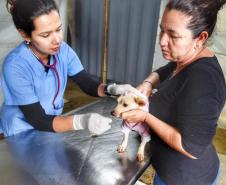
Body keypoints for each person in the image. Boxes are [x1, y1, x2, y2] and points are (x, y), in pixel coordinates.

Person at [121, 0, 226, 184]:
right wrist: (148, 81)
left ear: (200, 38)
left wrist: (145, 118)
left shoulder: (204, 82)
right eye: (162, 30)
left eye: (173, 35)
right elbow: (168, 69)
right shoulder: (187, 58)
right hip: (167, 170)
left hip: (186, 178)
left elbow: (191, 148)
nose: (162, 41)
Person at [0, 0, 138, 137]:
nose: (57, 40)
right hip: (22, 132)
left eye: (59, 29)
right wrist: (81, 121)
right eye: (45, 35)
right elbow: (39, 120)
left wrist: (111, 89)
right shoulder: (15, 66)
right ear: (24, 34)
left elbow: (87, 83)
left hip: (53, 123)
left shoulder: (63, 50)